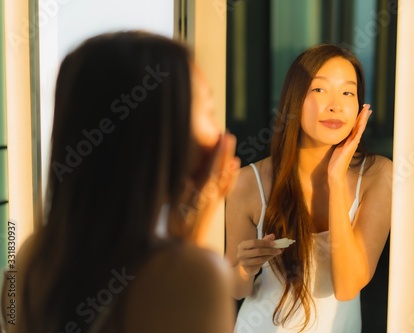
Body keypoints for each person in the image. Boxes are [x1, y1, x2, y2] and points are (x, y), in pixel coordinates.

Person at [1, 31, 239, 333]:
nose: (222, 133)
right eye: (208, 111)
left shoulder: (31, 258)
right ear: (159, 134)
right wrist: (191, 244)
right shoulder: (197, 275)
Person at [225, 44, 392, 332]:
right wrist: (245, 267)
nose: (335, 105)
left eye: (348, 92)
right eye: (319, 90)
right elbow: (236, 288)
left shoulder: (378, 175)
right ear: (294, 100)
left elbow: (348, 286)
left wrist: (336, 177)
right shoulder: (248, 181)